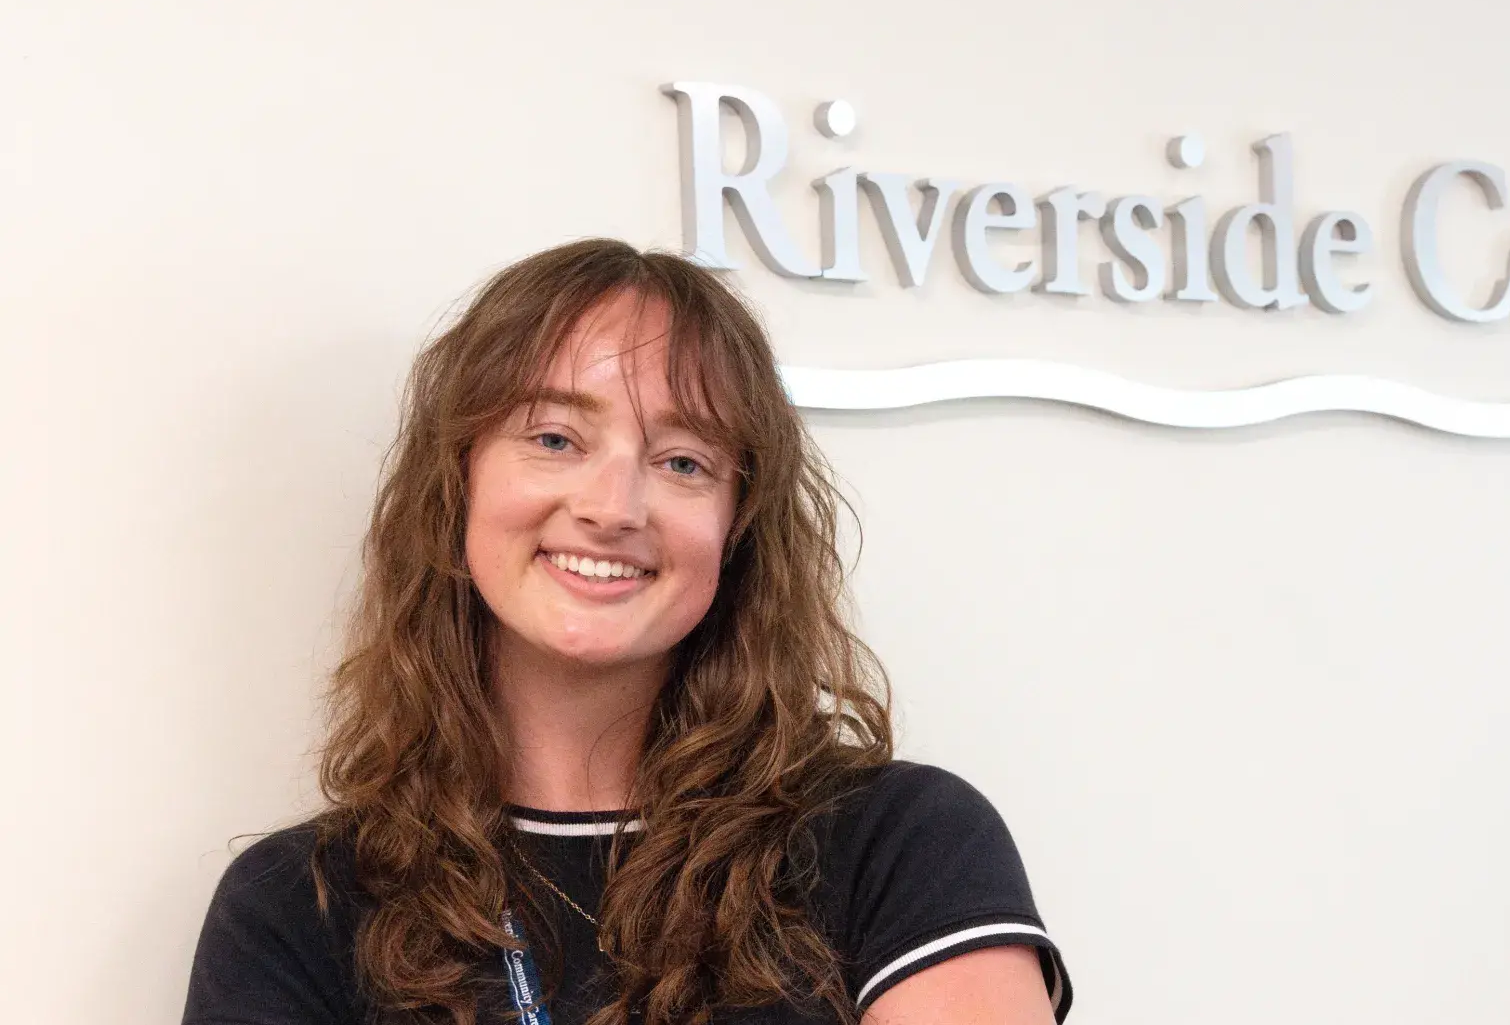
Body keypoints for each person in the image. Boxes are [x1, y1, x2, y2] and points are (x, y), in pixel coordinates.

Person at [182, 240, 1071, 1025]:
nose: (613, 507)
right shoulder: (299, 907)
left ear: (737, 526)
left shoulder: (899, 841)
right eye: (556, 438)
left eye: (683, 461)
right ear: (458, 483)